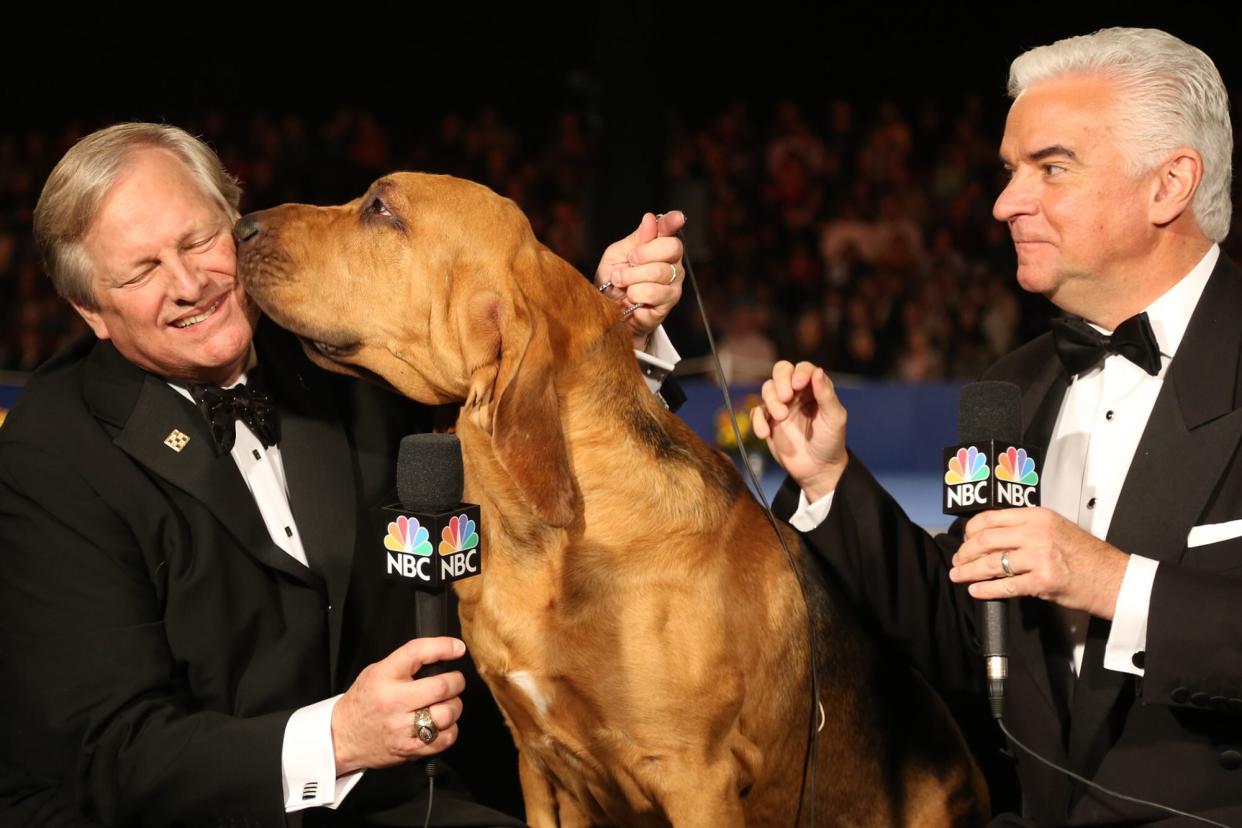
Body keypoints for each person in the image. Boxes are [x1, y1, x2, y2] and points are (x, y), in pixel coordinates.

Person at [0, 122, 686, 826]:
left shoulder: (346, 349)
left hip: (397, 800)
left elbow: (524, 440)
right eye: (141, 272)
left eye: (199, 241)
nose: (188, 285)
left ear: (236, 222)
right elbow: (111, 755)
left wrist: (602, 323)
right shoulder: (50, 455)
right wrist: (335, 740)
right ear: (92, 312)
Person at [755, 28, 1242, 827]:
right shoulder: (1007, 389)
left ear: (1170, 185)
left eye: (1051, 167)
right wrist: (828, 479)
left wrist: (1114, 583)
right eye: (1011, 173)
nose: (1005, 203)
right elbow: (967, 624)